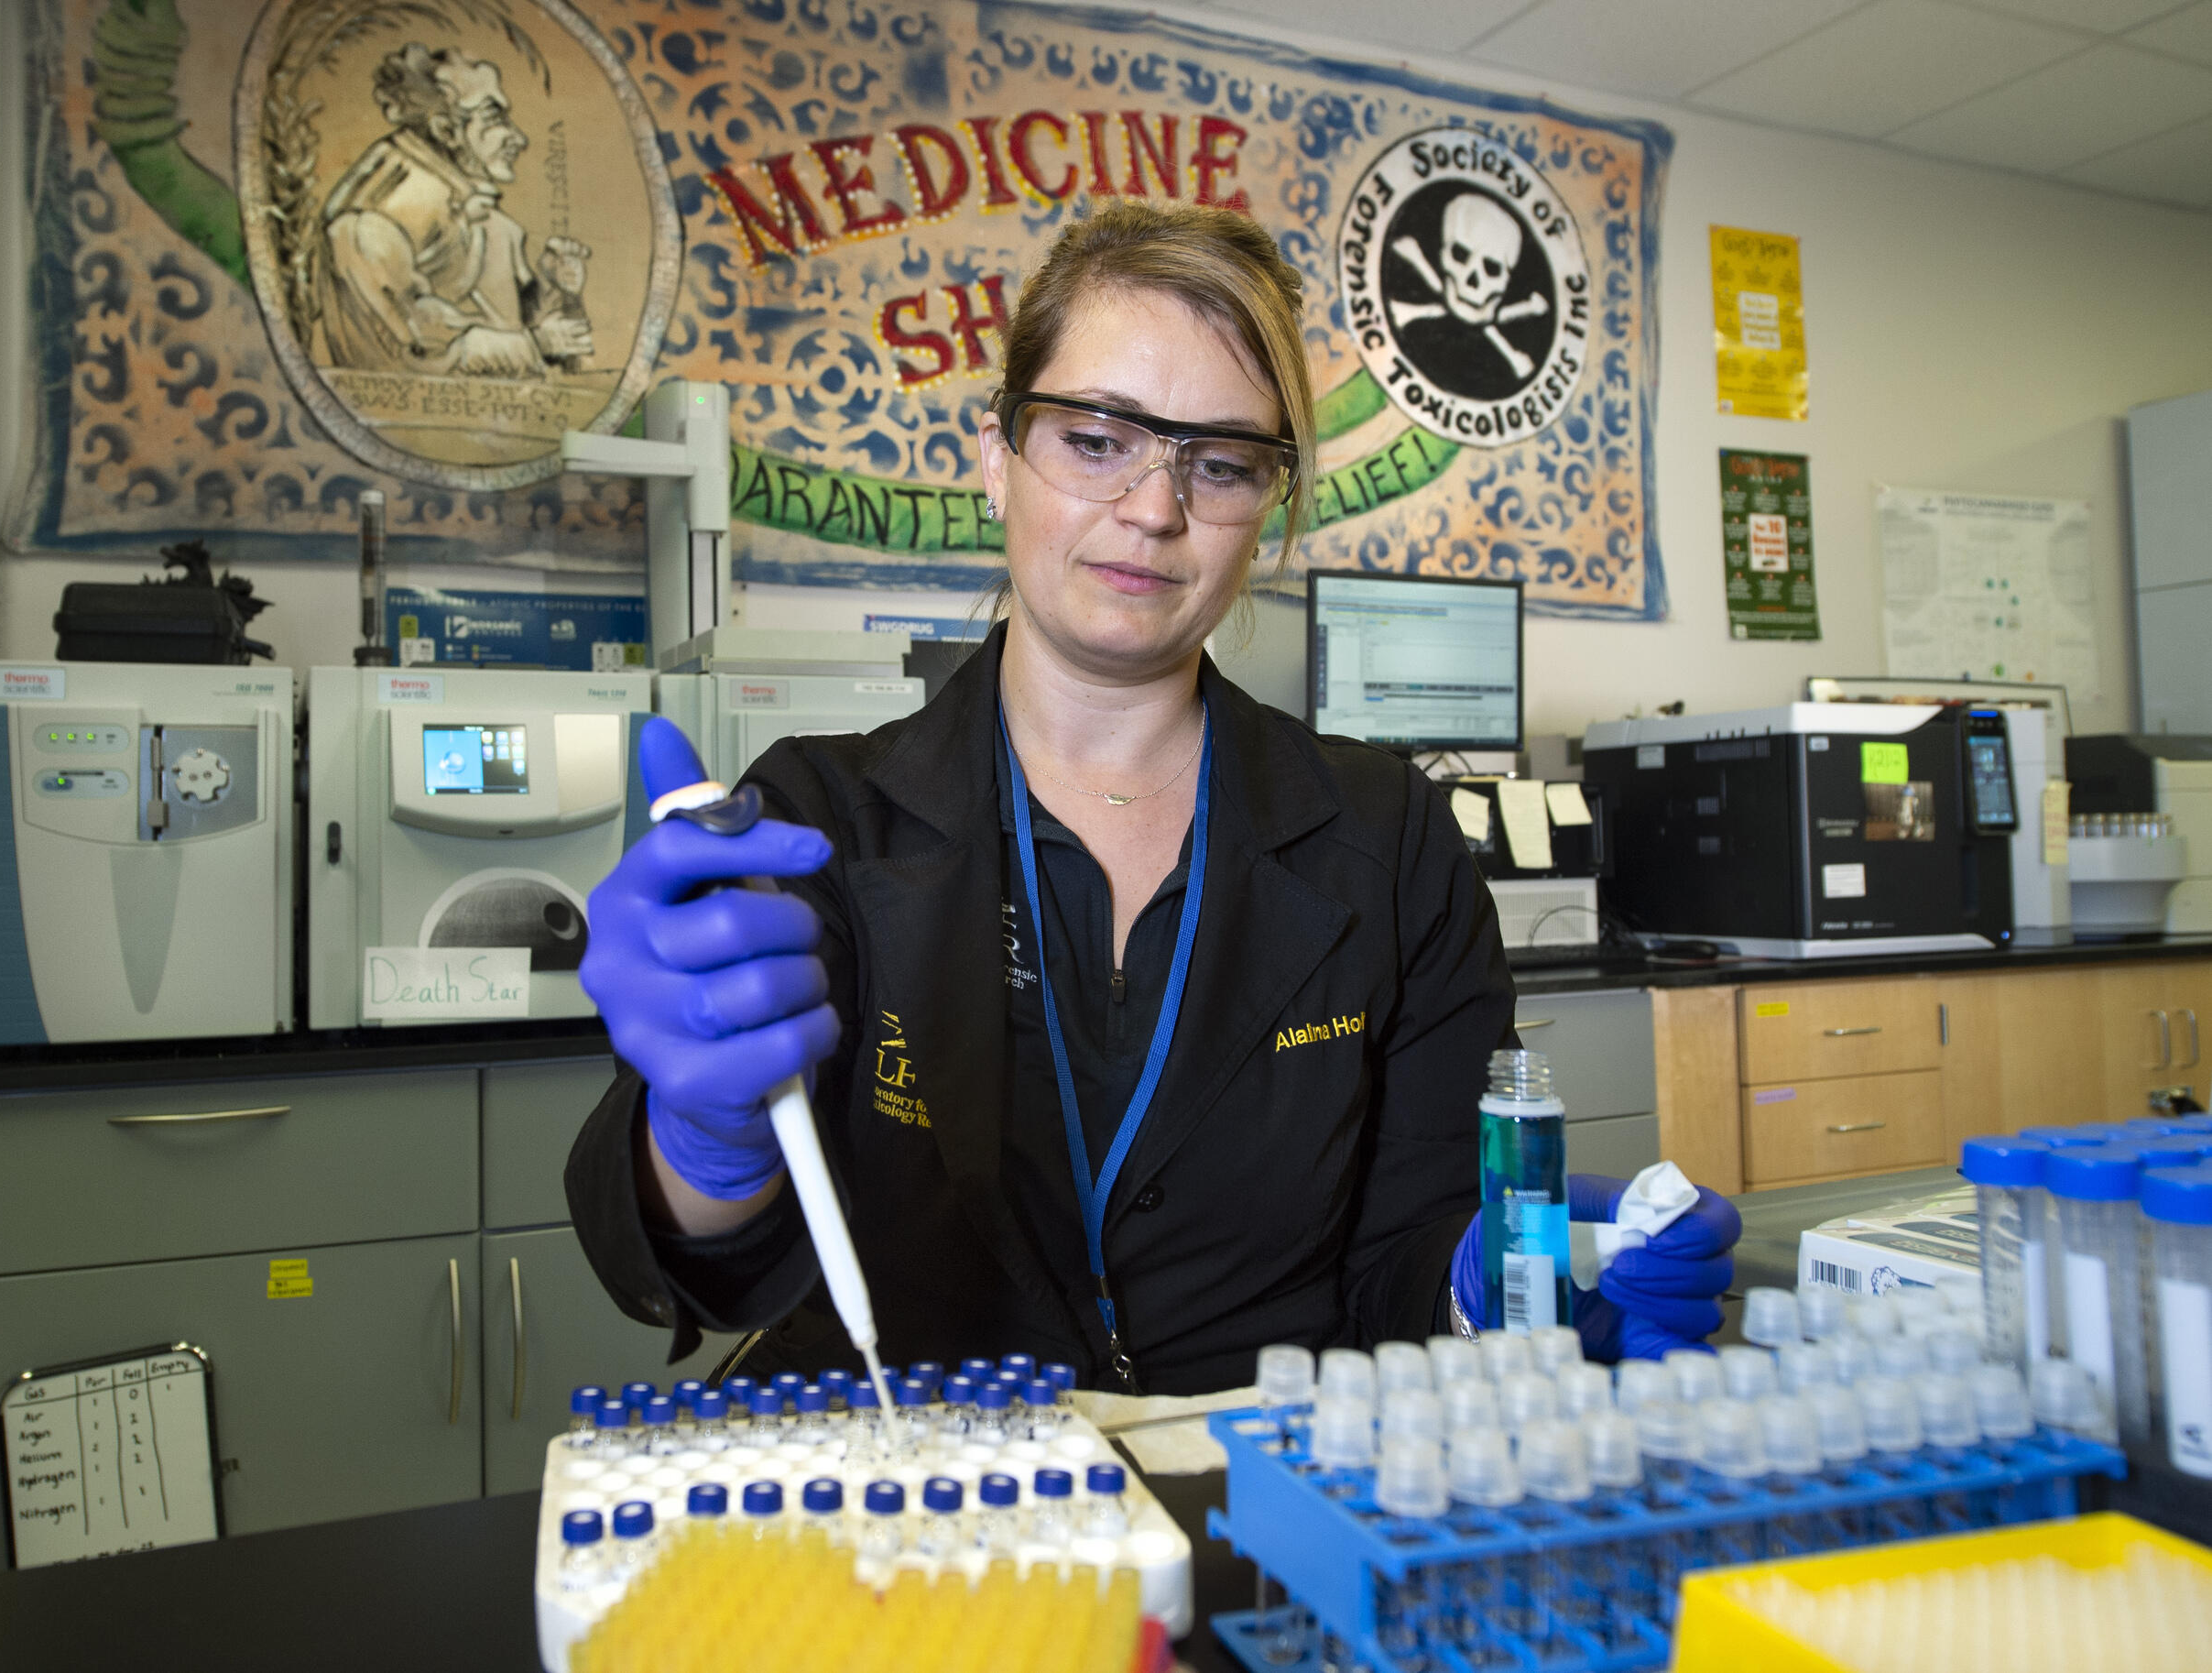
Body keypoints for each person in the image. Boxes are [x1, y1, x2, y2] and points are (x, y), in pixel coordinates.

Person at [567, 200, 1737, 1394]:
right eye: (1095, 438)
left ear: (1268, 510)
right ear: (998, 455)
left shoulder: (1386, 838)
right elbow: (690, 1266)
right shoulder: (819, 818)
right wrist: (702, 1138)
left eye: (1220, 462)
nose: (1154, 507)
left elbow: (1405, 1265)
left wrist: (1499, 1279)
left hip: (1265, 1492)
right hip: (930, 1495)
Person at [318, 44, 594, 378]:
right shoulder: (367, 229)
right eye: (495, 118)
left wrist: (552, 291)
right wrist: (535, 345)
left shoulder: (494, 225)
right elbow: (413, 356)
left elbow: (537, 349)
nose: (518, 138)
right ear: (445, 131)